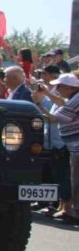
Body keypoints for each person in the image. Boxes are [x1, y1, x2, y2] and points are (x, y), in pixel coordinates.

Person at [32, 73, 79, 223]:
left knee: (74, 179)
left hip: (74, 146)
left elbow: (53, 118)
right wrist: (46, 93)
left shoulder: (75, 100)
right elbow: (61, 102)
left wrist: (38, 105)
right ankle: (70, 209)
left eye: (59, 86)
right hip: (71, 145)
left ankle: (74, 212)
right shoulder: (73, 98)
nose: (56, 89)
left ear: (69, 88)